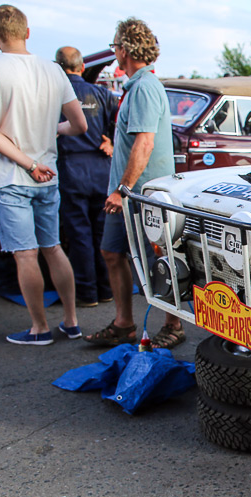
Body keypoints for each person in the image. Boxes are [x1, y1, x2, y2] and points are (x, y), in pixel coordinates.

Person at [0, 4, 88, 345]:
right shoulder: (53, 70)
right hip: (48, 175)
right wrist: (52, 132)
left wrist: (28, 164)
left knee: (25, 255)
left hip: (11, 177)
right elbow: (79, 125)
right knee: (53, 248)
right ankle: (71, 322)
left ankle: (39, 328)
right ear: (28, 32)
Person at [85, 17, 185, 349]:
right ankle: (124, 323)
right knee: (112, 252)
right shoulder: (137, 86)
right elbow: (137, 141)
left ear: (124, 50)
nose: (114, 52)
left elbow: (145, 142)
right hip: (131, 192)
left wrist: (121, 189)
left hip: (141, 194)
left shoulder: (144, 87)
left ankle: (173, 325)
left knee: (157, 260)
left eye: (115, 46)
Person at [54, 46, 117, 308]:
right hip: (101, 168)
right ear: (81, 67)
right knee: (101, 232)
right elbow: (119, 126)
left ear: (58, 67)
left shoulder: (54, 93)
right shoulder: (102, 93)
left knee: (79, 234)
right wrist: (111, 142)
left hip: (71, 169)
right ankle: (107, 289)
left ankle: (87, 293)